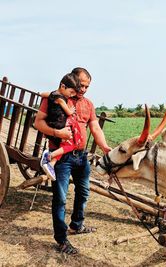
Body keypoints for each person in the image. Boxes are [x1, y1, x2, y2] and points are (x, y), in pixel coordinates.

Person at [34, 67, 111, 254]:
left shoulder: (88, 104)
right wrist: (57, 133)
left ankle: (77, 225)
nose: (83, 89)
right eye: (81, 85)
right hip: (62, 157)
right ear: (73, 80)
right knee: (60, 199)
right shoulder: (55, 98)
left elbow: (95, 127)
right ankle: (61, 240)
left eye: (87, 86)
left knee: (83, 192)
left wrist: (105, 147)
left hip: (81, 156)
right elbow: (38, 122)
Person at [40, 73, 82, 181]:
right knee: (70, 145)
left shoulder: (53, 94)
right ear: (63, 86)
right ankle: (49, 157)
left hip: (54, 123)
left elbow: (44, 94)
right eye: (71, 92)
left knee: (65, 145)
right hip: (58, 125)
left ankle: (51, 163)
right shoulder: (61, 99)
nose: (72, 95)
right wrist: (71, 110)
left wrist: (40, 93)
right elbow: (68, 112)